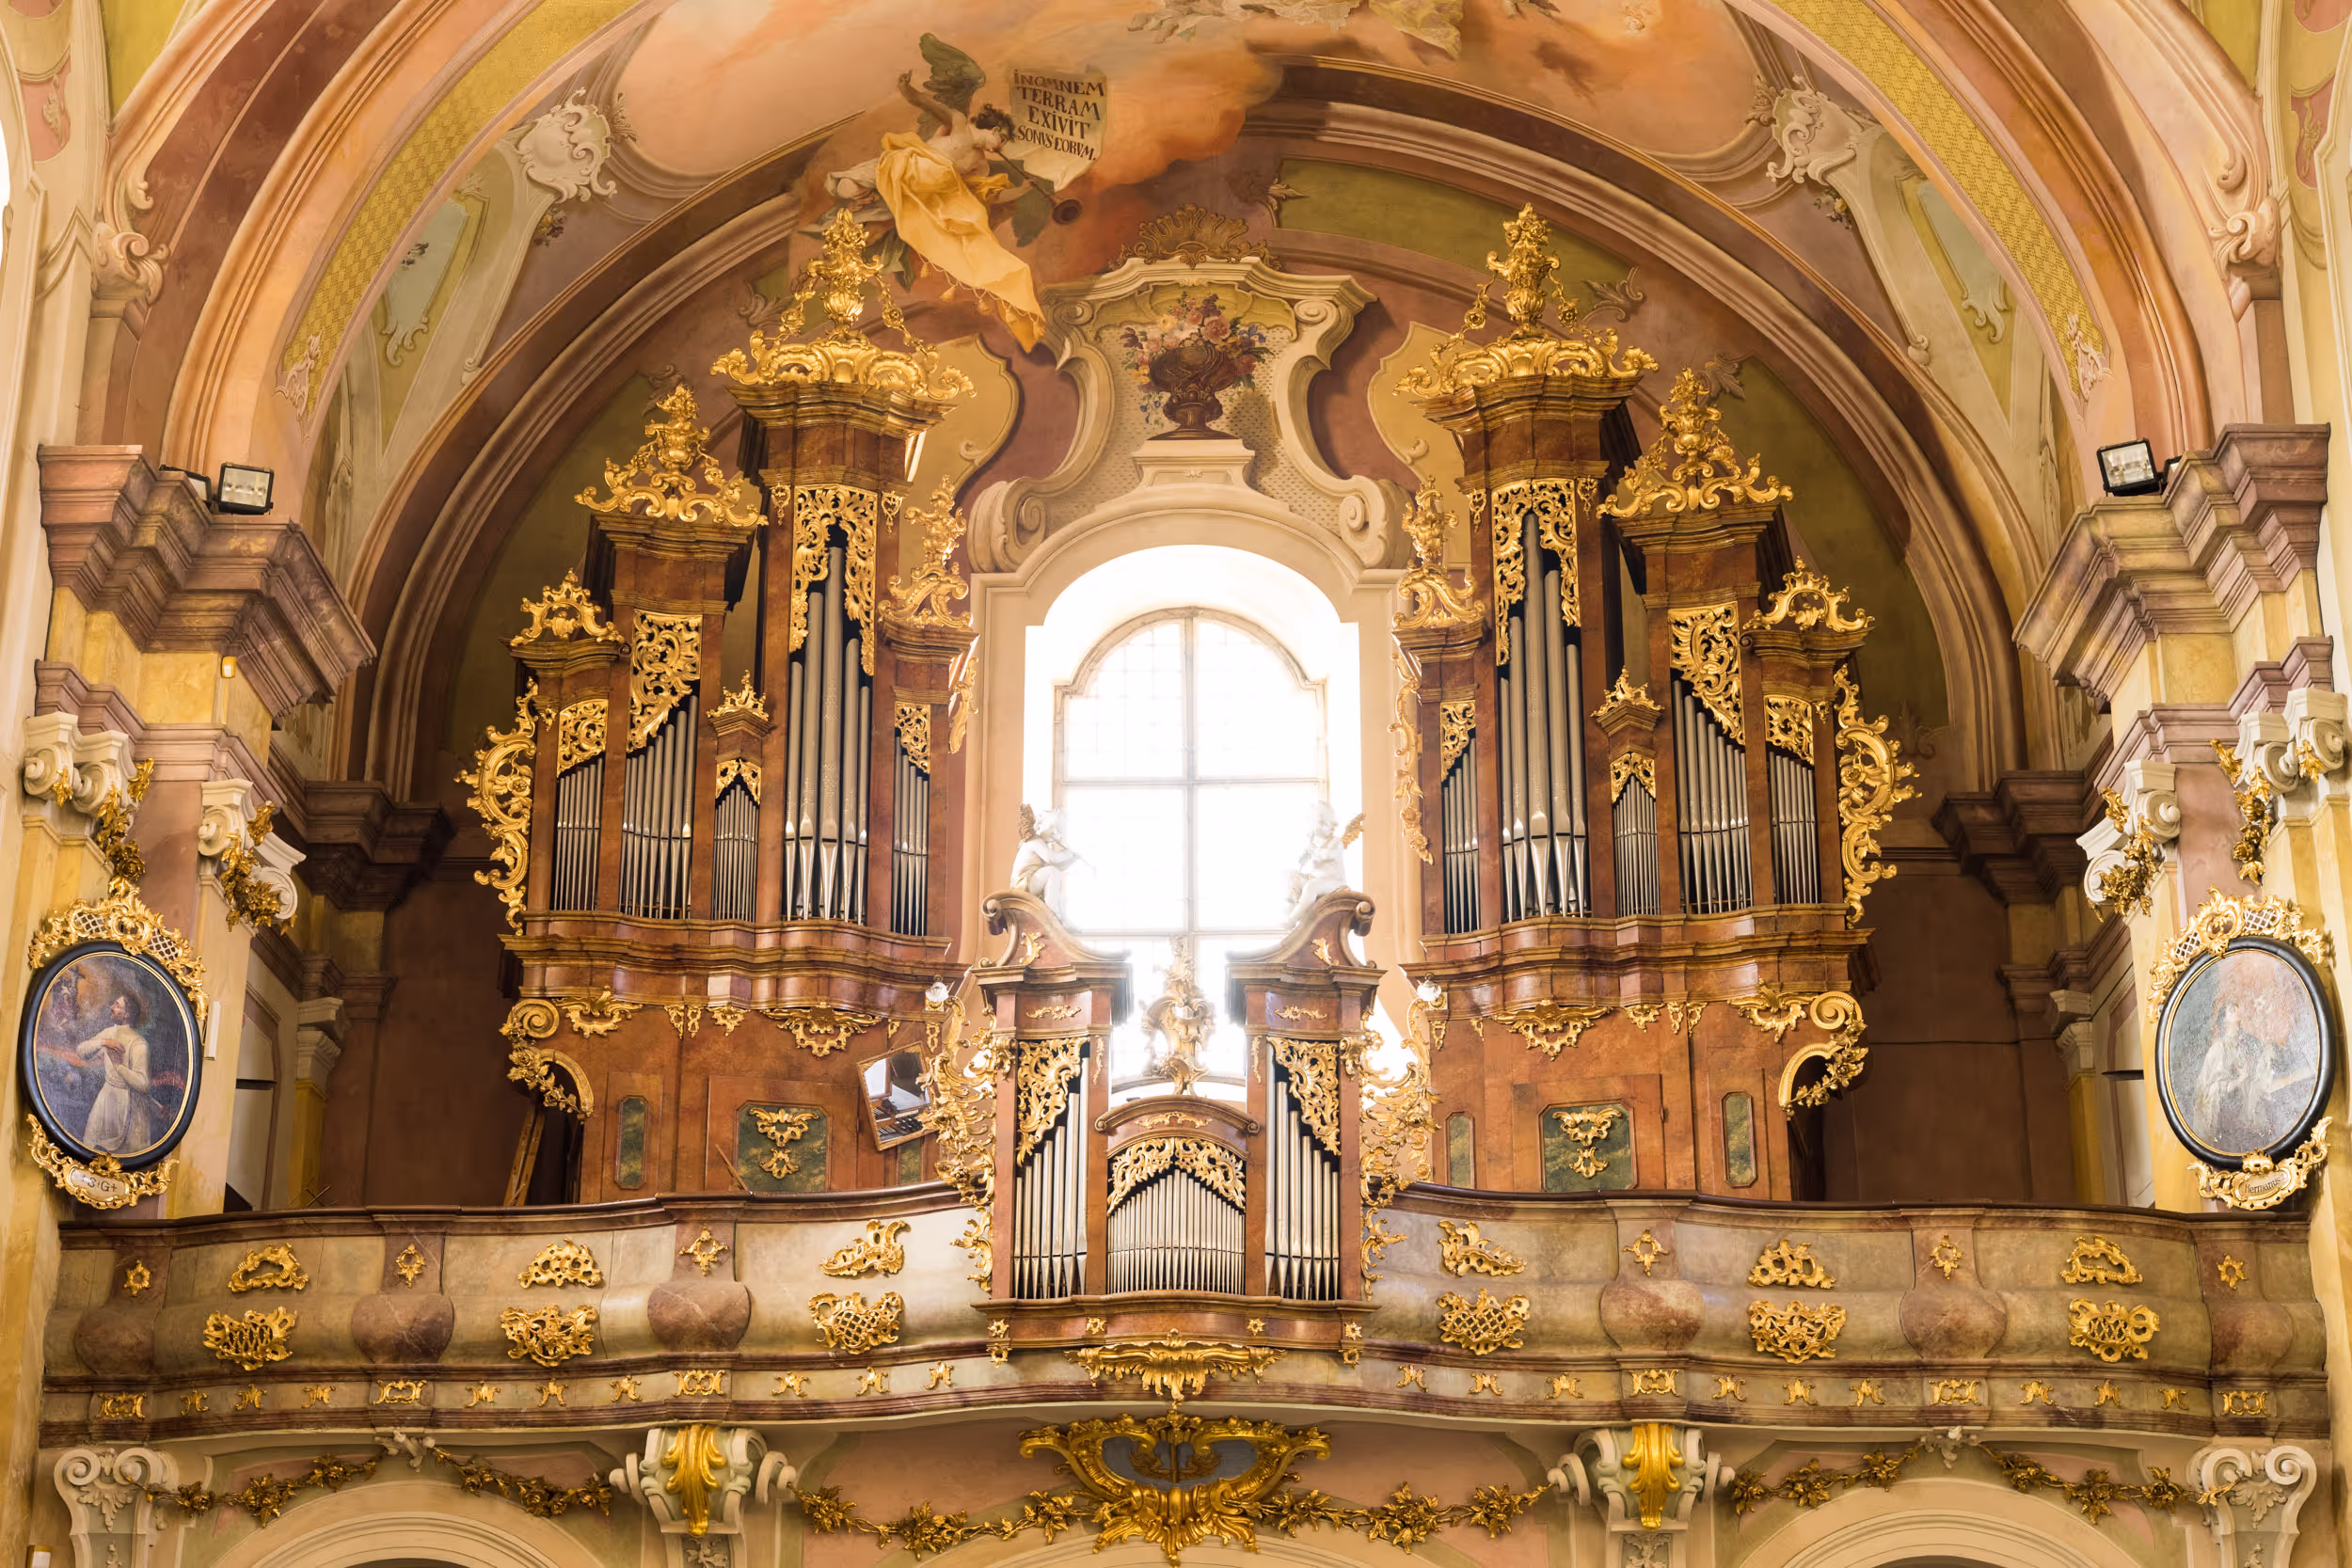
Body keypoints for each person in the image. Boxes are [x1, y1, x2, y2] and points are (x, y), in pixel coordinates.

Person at [832, 72, 1044, 349]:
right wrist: (907, 90)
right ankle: (866, 199)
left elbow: (989, 196)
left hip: (925, 193)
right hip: (902, 167)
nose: (999, 147)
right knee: (845, 187)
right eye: (1001, 140)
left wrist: (1024, 190)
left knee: (969, 216)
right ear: (994, 131)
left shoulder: (980, 165)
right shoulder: (958, 124)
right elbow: (929, 104)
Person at [70, 990, 155, 1155]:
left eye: (117, 1006)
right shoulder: (110, 1033)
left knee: (126, 1158)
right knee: (91, 1149)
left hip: (131, 1106)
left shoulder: (139, 1043)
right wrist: (104, 1042)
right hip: (106, 1098)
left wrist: (119, 1066)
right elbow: (81, 1051)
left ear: (127, 1014)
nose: (111, 1007)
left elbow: (144, 1084)